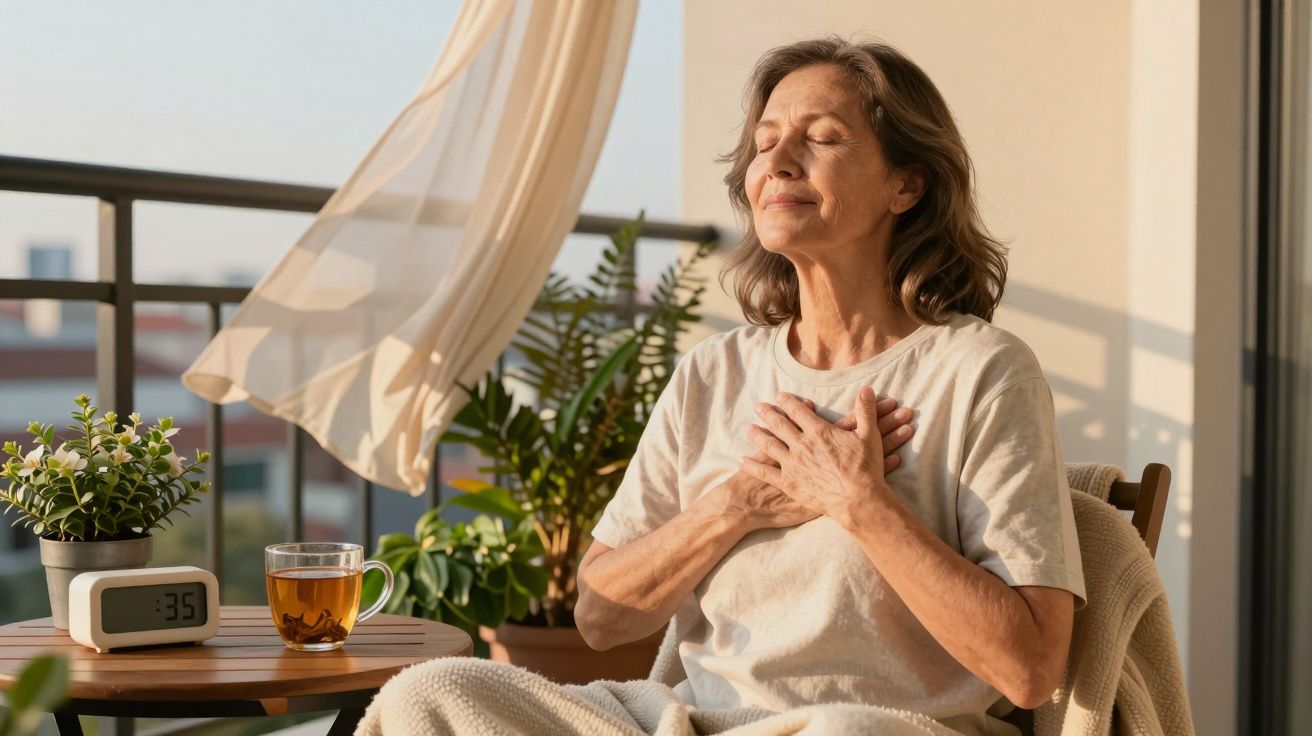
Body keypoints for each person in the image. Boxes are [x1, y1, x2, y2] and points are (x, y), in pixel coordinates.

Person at [575, 37, 1085, 736]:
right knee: (437, 695)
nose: (778, 162)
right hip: (695, 723)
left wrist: (859, 501)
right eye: (765, 142)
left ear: (906, 184)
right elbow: (600, 619)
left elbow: (1029, 670)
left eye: (823, 138)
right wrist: (734, 505)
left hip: (876, 729)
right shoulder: (713, 372)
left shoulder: (982, 371)